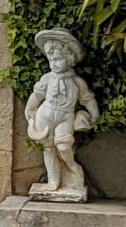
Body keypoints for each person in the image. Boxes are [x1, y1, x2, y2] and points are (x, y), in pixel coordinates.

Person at [25, 27, 100, 199]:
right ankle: (53, 181)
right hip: (45, 115)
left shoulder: (77, 82)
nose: (54, 63)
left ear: (70, 58)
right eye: (51, 59)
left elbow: (88, 99)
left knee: (64, 146)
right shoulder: (47, 79)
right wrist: (30, 110)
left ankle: (73, 167)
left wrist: (94, 115)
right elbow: (36, 96)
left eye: (58, 59)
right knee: (48, 148)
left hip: (65, 117)